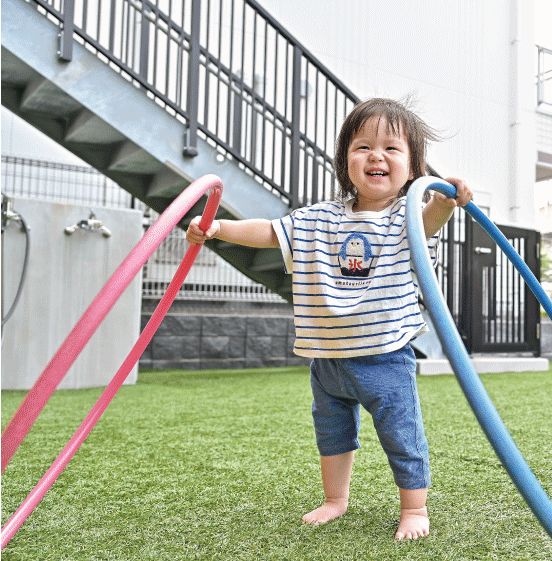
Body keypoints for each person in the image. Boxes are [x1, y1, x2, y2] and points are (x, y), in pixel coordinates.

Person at [187, 98, 473, 539]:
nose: (376, 156)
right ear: (345, 161)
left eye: (391, 148)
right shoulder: (319, 219)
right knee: (332, 434)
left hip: (384, 356)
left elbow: (431, 218)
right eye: (363, 147)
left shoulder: (406, 220)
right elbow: (269, 231)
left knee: (401, 434)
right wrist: (218, 228)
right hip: (327, 358)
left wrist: (447, 200)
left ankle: (415, 508)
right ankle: (335, 500)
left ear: (414, 167)